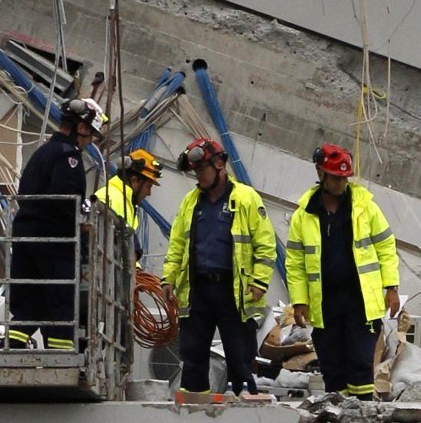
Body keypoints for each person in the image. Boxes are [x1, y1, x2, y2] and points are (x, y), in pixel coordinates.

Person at [285, 143, 400, 400]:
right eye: (336, 178)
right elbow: (294, 261)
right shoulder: (304, 214)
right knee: (332, 365)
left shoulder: (364, 207)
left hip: (361, 300)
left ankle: (362, 414)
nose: (341, 184)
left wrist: (391, 287)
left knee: (360, 362)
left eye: (344, 179)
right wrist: (299, 300)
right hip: (325, 300)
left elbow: (386, 246)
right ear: (320, 173)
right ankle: (337, 415)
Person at [161, 138, 275, 396]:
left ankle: (242, 407)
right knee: (193, 357)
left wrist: (258, 283)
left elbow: (265, 245)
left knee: (240, 356)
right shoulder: (191, 202)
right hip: (198, 290)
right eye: (196, 171)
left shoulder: (246, 198)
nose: (199, 176)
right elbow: (177, 244)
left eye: (203, 169)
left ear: (220, 164)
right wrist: (168, 279)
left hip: (233, 291)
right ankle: (194, 408)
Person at [7, 98, 105, 350]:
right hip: (53, 242)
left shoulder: (42, 153)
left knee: (29, 304)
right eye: (91, 134)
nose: (90, 140)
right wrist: (83, 221)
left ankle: (12, 348)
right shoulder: (68, 157)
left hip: (26, 237)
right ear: (81, 128)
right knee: (60, 303)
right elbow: (66, 200)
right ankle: (61, 359)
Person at [94, 148, 163, 263]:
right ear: (135, 181)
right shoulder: (108, 197)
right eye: (148, 186)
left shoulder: (126, 202)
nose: (149, 193)